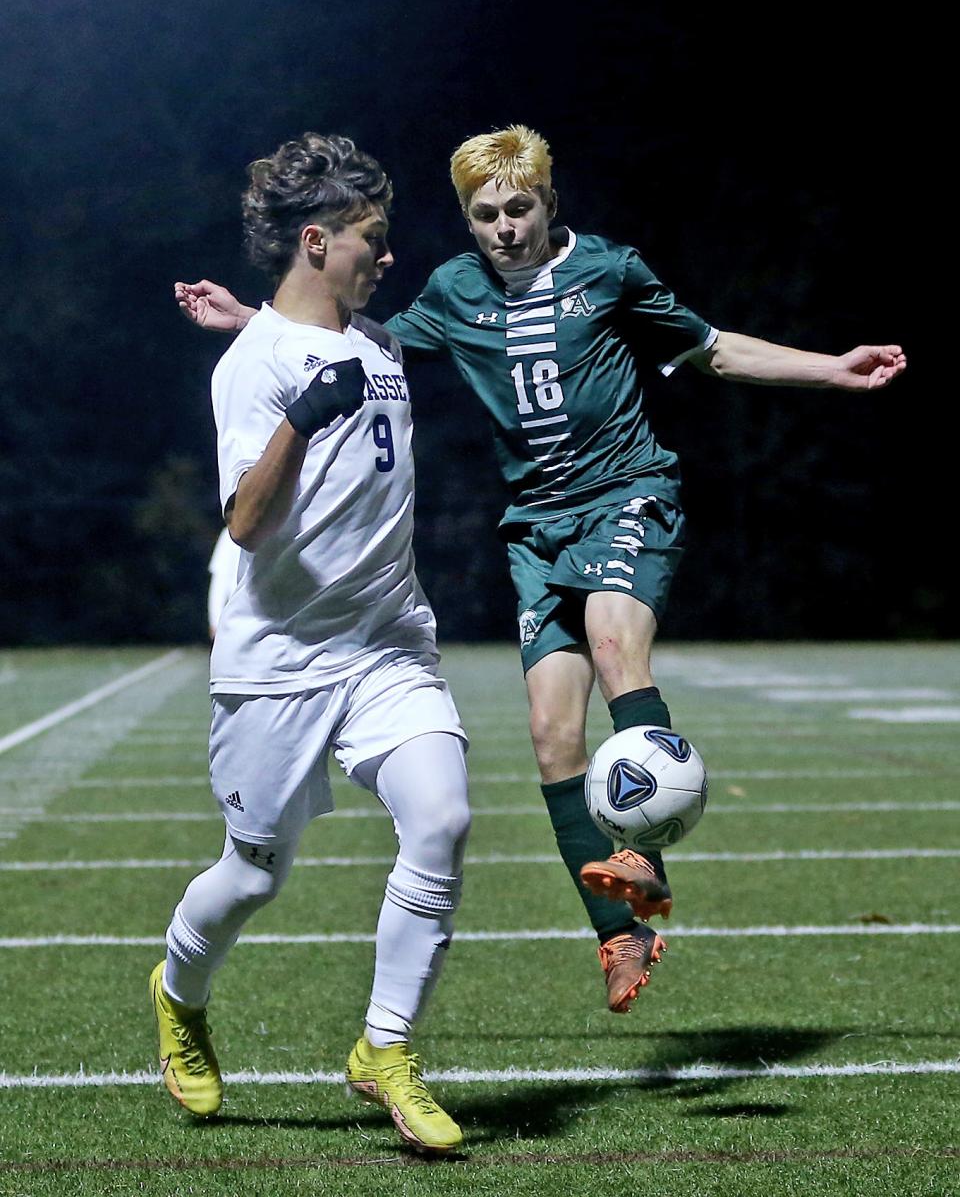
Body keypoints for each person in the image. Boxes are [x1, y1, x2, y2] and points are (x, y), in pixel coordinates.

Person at [176, 125, 907, 1017]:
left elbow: (711, 346)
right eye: (484, 215)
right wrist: (253, 322)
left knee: (610, 637)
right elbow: (350, 348)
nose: (503, 228)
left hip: (628, 494)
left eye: (518, 208)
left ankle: (645, 853)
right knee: (553, 734)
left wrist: (833, 368)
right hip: (537, 529)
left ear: (549, 204)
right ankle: (622, 927)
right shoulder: (454, 291)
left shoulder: (609, 270)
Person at [153, 132, 470, 1154]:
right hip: (280, 660)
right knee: (253, 876)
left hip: (384, 643)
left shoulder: (374, 338)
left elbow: (324, 340)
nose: (389, 255)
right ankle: (179, 989)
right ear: (316, 238)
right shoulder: (251, 369)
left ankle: (386, 1046)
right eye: (373, 239)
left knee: (444, 815)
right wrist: (296, 415)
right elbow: (243, 521)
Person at [206, 526, 242, 639]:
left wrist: (215, 621)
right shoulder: (229, 534)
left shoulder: (230, 533)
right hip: (238, 617)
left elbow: (219, 580)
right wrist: (215, 620)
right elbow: (220, 582)